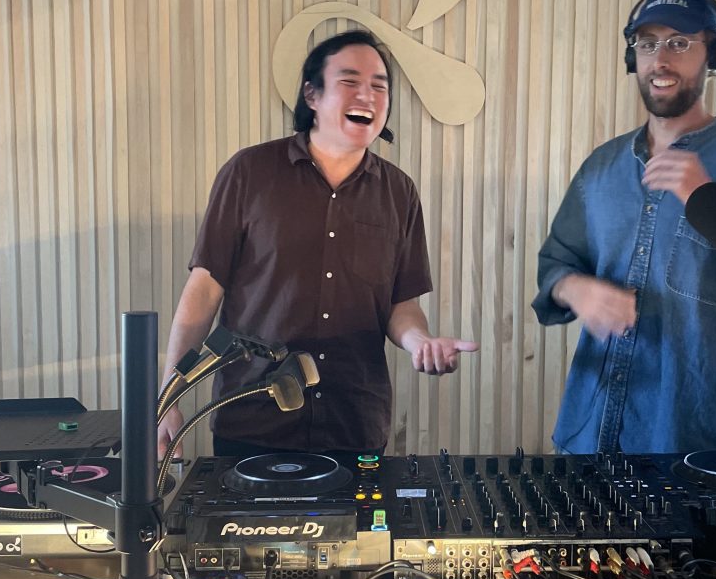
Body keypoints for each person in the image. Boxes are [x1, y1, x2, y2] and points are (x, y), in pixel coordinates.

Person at [157, 29, 477, 458]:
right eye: (350, 81)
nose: (367, 96)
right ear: (312, 95)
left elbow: (401, 304)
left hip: (354, 423)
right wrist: (169, 396)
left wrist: (420, 341)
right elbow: (204, 291)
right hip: (253, 420)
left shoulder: (399, 192)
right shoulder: (249, 173)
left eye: (379, 86)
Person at [532, 0, 716, 456]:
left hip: (699, 442)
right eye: (648, 44)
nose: (660, 60)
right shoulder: (601, 167)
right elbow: (555, 265)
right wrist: (574, 288)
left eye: (680, 43)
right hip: (588, 434)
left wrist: (714, 207)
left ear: (715, 55)